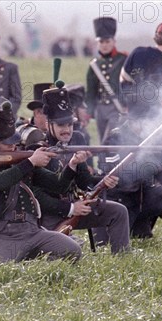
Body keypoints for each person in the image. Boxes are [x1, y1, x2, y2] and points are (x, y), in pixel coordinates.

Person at [102, 22, 162, 246]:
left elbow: (127, 89)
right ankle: (140, 229)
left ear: (156, 38)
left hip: (154, 144)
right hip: (125, 200)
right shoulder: (117, 136)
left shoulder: (141, 55)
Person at [0, 96, 84, 262]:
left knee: (73, 250)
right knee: (0, 271)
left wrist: (72, 165)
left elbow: (58, 185)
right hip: (4, 233)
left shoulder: (21, 162)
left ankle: (33, 260)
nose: (13, 146)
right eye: (7, 143)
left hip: (32, 230)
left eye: (13, 142)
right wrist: (30, 162)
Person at [37, 83, 130, 254]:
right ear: (49, 124)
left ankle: (124, 261)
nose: (67, 130)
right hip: (48, 214)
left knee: (119, 211)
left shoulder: (74, 142)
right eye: (61, 126)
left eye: (70, 125)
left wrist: (104, 181)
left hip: (76, 205)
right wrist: (71, 208)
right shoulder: (38, 149)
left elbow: (84, 182)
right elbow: (45, 193)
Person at [86, 17, 128, 142]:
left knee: (109, 140)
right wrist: (89, 111)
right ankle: (102, 162)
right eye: (101, 42)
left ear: (114, 41)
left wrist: (128, 104)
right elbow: (91, 90)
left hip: (117, 107)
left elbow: (129, 84)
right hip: (100, 108)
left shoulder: (123, 59)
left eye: (107, 41)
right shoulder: (95, 64)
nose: (104, 45)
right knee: (101, 141)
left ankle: (108, 162)